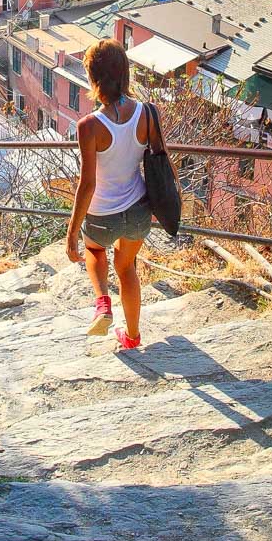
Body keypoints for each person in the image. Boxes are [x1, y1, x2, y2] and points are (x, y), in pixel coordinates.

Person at [65, 38, 164, 350]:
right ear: (125, 74)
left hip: (100, 215)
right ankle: (132, 337)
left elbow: (88, 183)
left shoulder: (89, 125)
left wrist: (71, 232)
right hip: (137, 211)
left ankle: (103, 305)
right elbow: (162, 162)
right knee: (127, 268)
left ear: (93, 79)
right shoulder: (147, 113)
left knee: (94, 251)